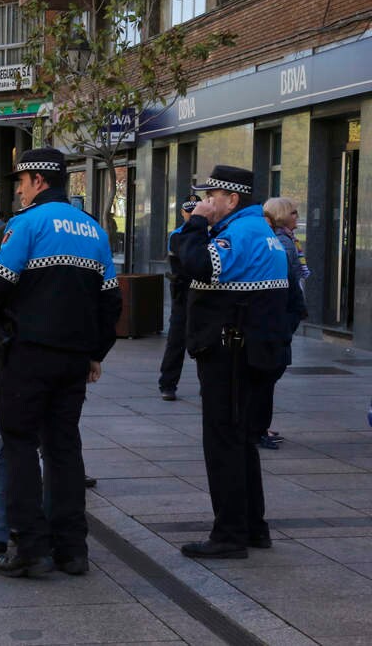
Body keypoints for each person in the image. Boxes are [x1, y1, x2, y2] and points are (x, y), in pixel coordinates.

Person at [0, 147, 122, 578]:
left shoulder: (26, 224)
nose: (18, 190)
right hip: (73, 359)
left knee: (19, 444)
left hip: (28, 356)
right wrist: (95, 353)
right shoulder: (94, 230)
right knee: (64, 448)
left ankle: (29, 544)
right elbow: (111, 301)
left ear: (38, 181)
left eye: (20, 182)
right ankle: (73, 549)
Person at [177, 165, 290, 560]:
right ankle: (253, 526)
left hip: (231, 353)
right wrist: (197, 227)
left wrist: (194, 227)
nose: (205, 203)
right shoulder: (261, 232)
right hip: (253, 351)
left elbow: (195, 265)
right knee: (242, 440)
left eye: (212, 197)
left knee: (223, 440)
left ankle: (228, 534)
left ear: (233, 199)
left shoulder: (239, 233)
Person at [255, 197, 308, 449]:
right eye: (293, 213)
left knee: (268, 375)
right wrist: (294, 316)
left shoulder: (285, 240)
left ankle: (260, 425)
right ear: (281, 215)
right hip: (281, 316)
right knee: (268, 374)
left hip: (282, 316)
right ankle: (259, 427)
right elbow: (288, 280)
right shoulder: (282, 243)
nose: (297, 217)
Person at [158, 194, 200, 401]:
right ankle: (168, 384)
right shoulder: (177, 235)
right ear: (182, 213)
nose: (191, 215)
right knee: (176, 341)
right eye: (188, 211)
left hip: (203, 297)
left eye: (195, 211)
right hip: (183, 295)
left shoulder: (211, 234)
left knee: (206, 343)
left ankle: (208, 387)